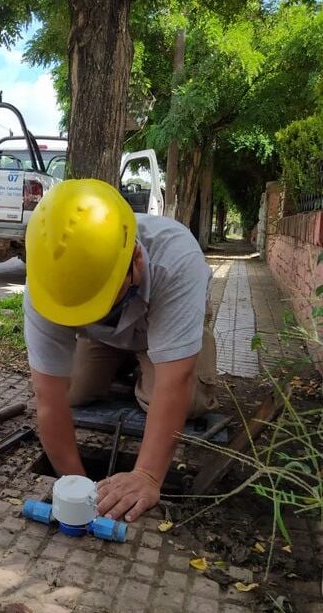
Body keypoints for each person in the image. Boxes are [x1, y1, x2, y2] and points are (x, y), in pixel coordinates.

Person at [24, 178, 217, 523]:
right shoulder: (49, 286)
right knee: (74, 393)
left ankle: (146, 371)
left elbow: (176, 381)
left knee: (187, 401)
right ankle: (131, 371)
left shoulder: (177, 259)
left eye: (103, 301)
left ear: (137, 260)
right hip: (104, 339)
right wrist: (78, 488)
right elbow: (49, 399)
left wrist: (146, 476)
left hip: (165, 323)